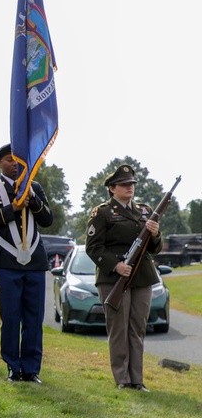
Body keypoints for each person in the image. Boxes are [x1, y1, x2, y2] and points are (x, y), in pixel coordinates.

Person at [0, 145, 54, 383]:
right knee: (9, 316)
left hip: (34, 261)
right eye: (9, 160)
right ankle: (13, 366)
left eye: (18, 160)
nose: (14, 164)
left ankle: (31, 369)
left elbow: (48, 219)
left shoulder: (35, 187)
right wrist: (13, 209)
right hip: (6, 260)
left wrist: (33, 201)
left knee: (33, 317)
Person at [85, 164, 162, 392]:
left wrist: (156, 234)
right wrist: (115, 266)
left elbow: (154, 248)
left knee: (137, 329)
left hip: (141, 277)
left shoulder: (146, 211)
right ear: (112, 189)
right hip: (113, 278)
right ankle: (122, 379)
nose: (130, 188)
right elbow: (93, 247)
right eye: (124, 184)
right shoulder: (103, 213)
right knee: (118, 329)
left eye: (132, 184)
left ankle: (137, 380)